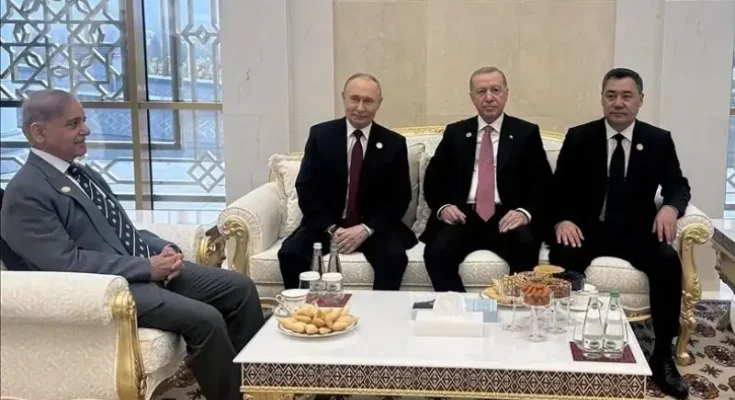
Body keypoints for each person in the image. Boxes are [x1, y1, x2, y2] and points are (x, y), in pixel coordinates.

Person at [0, 89, 265, 400]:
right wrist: (146, 268)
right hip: (112, 289)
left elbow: (119, 230)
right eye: (73, 124)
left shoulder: (80, 173)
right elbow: (65, 264)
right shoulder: (26, 192)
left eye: (83, 120)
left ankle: (259, 387)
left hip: (142, 270)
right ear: (39, 132)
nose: (86, 130)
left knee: (240, 288)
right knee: (206, 320)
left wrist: (164, 248)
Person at [548, 68, 691, 399]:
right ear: (602, 99)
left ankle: (663, 355)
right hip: (587, 229)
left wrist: (671, 208)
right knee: (563, 255)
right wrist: (562, 220)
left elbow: (677, 185)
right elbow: (557, 190)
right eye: (611, 96)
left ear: (640, 100)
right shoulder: (580, 137)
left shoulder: (657, 140)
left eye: (626, 96)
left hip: (637, 230)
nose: (618, 103)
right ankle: (563, 342)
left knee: (667, 262)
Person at [278, 73, 417, 290]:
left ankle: (379, 311)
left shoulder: (393, 143)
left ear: (379, 103)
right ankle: (303, 308)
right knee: (291, 254)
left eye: (368, 101)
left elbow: (399, 198)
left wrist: (366, 229)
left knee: (394, 258)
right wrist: (332, 228)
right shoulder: (321, 135)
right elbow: (306, 188)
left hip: (373, 227)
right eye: (355, 99)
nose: (360, 107)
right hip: (325, 225)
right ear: (344, 98)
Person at [421, 66, 553, 292]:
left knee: (526, 244)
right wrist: (443, 207)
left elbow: (542, 184)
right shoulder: (455, 132)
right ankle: (459, 306)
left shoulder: (525, 133)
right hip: (463, 215)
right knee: (436, 252)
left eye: (495, 90)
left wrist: (524, 212)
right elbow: (433, 180)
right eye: (481, 91)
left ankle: (512, 305)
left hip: (507, 216)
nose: (489, 97)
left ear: (506, 94)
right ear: (472, 97)